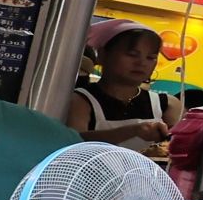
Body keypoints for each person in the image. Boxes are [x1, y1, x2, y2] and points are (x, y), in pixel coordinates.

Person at [66, 19, 175, 152]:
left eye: (151, 58)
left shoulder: (167, 105)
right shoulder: (80, 101)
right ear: (103, 55)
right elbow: (72, 143)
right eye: (132, 55)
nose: (141, 63)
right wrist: (133, 131)